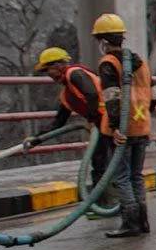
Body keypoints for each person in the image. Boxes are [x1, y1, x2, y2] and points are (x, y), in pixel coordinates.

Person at [92, 13, 156, 238]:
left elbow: (111, 96)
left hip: (122, 129)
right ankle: (144, 222)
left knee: (121, 177)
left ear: (103, 41)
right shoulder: (140, 62)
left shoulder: (109, 64)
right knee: (136, 176)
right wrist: (144, 116)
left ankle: (130, 223)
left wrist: (116, 126)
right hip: (142, 126)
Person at [29, 47, 112, 211]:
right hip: (102, 124)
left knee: (106, 163)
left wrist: (91, 116)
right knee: (100, 163)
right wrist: (36, 139)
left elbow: (92, 94)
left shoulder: (75, 74)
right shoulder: (67, 94)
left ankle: (107, 204)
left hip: (111, 121)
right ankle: (102, 204)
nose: (49, 75)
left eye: (49, 69)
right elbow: (58, 123)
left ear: (60, 65)